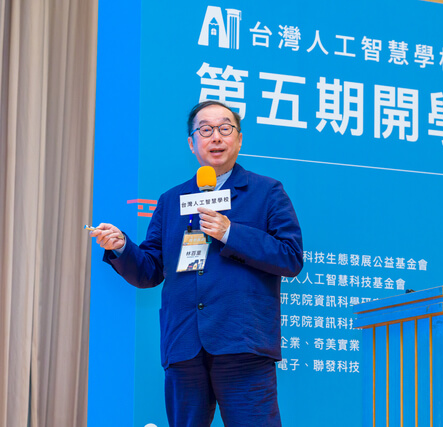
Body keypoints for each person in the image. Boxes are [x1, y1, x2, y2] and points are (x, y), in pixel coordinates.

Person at [90, 100, 304, 426]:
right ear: (192, 143)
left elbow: (290, 256)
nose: (216, 137)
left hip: (241, 342)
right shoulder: (171, 200)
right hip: (184, 344)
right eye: (205, 130)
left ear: (239, 139)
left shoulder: (267, 192)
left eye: (225, 128)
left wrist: (230, 232)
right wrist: (122, 248)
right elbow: (149, 271)